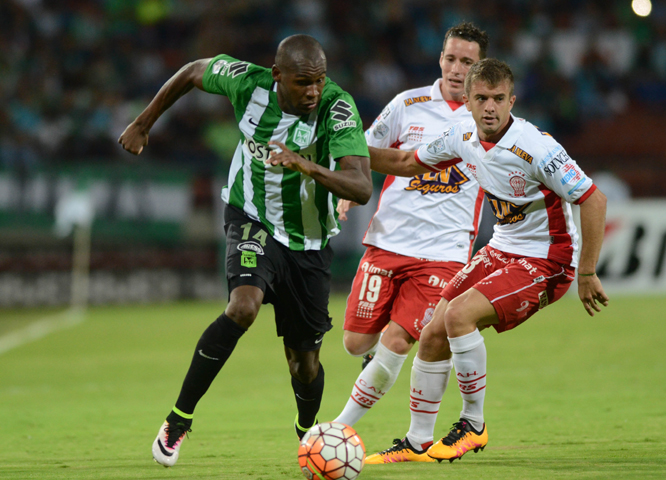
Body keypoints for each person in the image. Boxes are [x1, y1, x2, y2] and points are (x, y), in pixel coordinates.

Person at [118, 34, 372, 467]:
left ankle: (307, 437)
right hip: (250, 215)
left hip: (308, 241)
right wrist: (144, 122)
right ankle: (178, 420)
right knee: (243, 306)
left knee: (304, 366)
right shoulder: (248, 83)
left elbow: (362, 186)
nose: (313, 91)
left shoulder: (338, 107)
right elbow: (193, 71)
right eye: (302, 82)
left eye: (319, 80)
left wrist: (304, 164)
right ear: (277, 77)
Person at [365, 58, 609, 463]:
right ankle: (417, 442)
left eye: (499, 99)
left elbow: (593, 198)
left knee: (459, 316)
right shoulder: (461, 133)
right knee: (431, 332)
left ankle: (473, 425)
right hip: (501, 249)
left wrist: (586, 271)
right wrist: (344, 151)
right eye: (482, 98)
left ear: (512, 100)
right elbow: (406, 163)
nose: (491, 107)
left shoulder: (536, 147)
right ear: (468, 100)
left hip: (547, 262)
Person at [331, 23, 490, 464]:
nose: (457, 69)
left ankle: (339, 429)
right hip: (387, 242)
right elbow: (362, 152)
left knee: (399, 339)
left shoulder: (486, 119)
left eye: (468, 62)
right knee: (355, 342)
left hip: (444, 253)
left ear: (482, 68)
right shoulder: (408, 103)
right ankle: (377, 367)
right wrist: (346, 195)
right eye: (451, 58)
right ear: (440, 57)